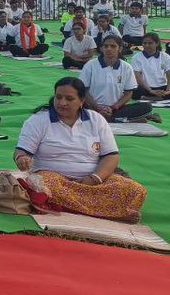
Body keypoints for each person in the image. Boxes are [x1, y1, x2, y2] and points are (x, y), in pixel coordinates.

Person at [15, 77, 147, 223]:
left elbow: (111, 156)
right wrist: (22, 158)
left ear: (82, 101)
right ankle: (111, 212)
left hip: (92, 179)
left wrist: (95, 178)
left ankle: (72, 208)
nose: (62, 103)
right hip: (54, 179)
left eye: (69, 99)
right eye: (58, 97)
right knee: (43, 186)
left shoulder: (96, 120)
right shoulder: (38, 121)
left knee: (134, 189)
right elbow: (22, 151)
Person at [79, 35, 157, 122]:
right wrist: (97, 107)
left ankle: (107, 118)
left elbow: (128, 93)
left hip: (116, 108)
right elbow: (84, 91)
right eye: (106, 46)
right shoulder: (90, 65)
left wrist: (114, 107)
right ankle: (121, 120)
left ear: (120, 49)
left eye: (113, 46)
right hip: (93, 107)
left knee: (146, 106)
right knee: (75, 109)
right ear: (101, 48)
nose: (108, 49)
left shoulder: (126, 67)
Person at [132, 33, 170, 100]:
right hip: (145, 88)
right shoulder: (137, 57)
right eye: (144, 43)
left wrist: (167, 90)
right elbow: (138, 78)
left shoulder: (165, 56)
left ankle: (149, 98)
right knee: (132, 89)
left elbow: (168, 75)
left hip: (162, 87)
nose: (147, 45)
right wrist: (150, 90)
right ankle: (155, 97)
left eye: (150, 43)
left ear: (157, 43)